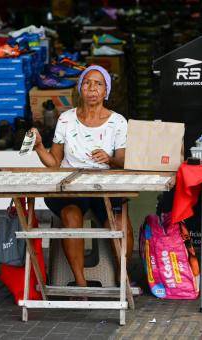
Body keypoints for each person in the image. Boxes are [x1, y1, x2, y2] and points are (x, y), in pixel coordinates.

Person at [30, 65, 132, 288]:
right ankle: (81, 283)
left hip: (104, 186)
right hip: (71, 187)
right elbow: (54, 162)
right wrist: (39, 147)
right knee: (71, 216)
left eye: (98, 84)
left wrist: (110, 159)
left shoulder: (118, 122)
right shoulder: (66, 119)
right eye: (87, 83)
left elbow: (124, 161)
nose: (92, 88)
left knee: (120, 221)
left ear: (106, 91)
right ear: (80, 89)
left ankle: (122, 276)